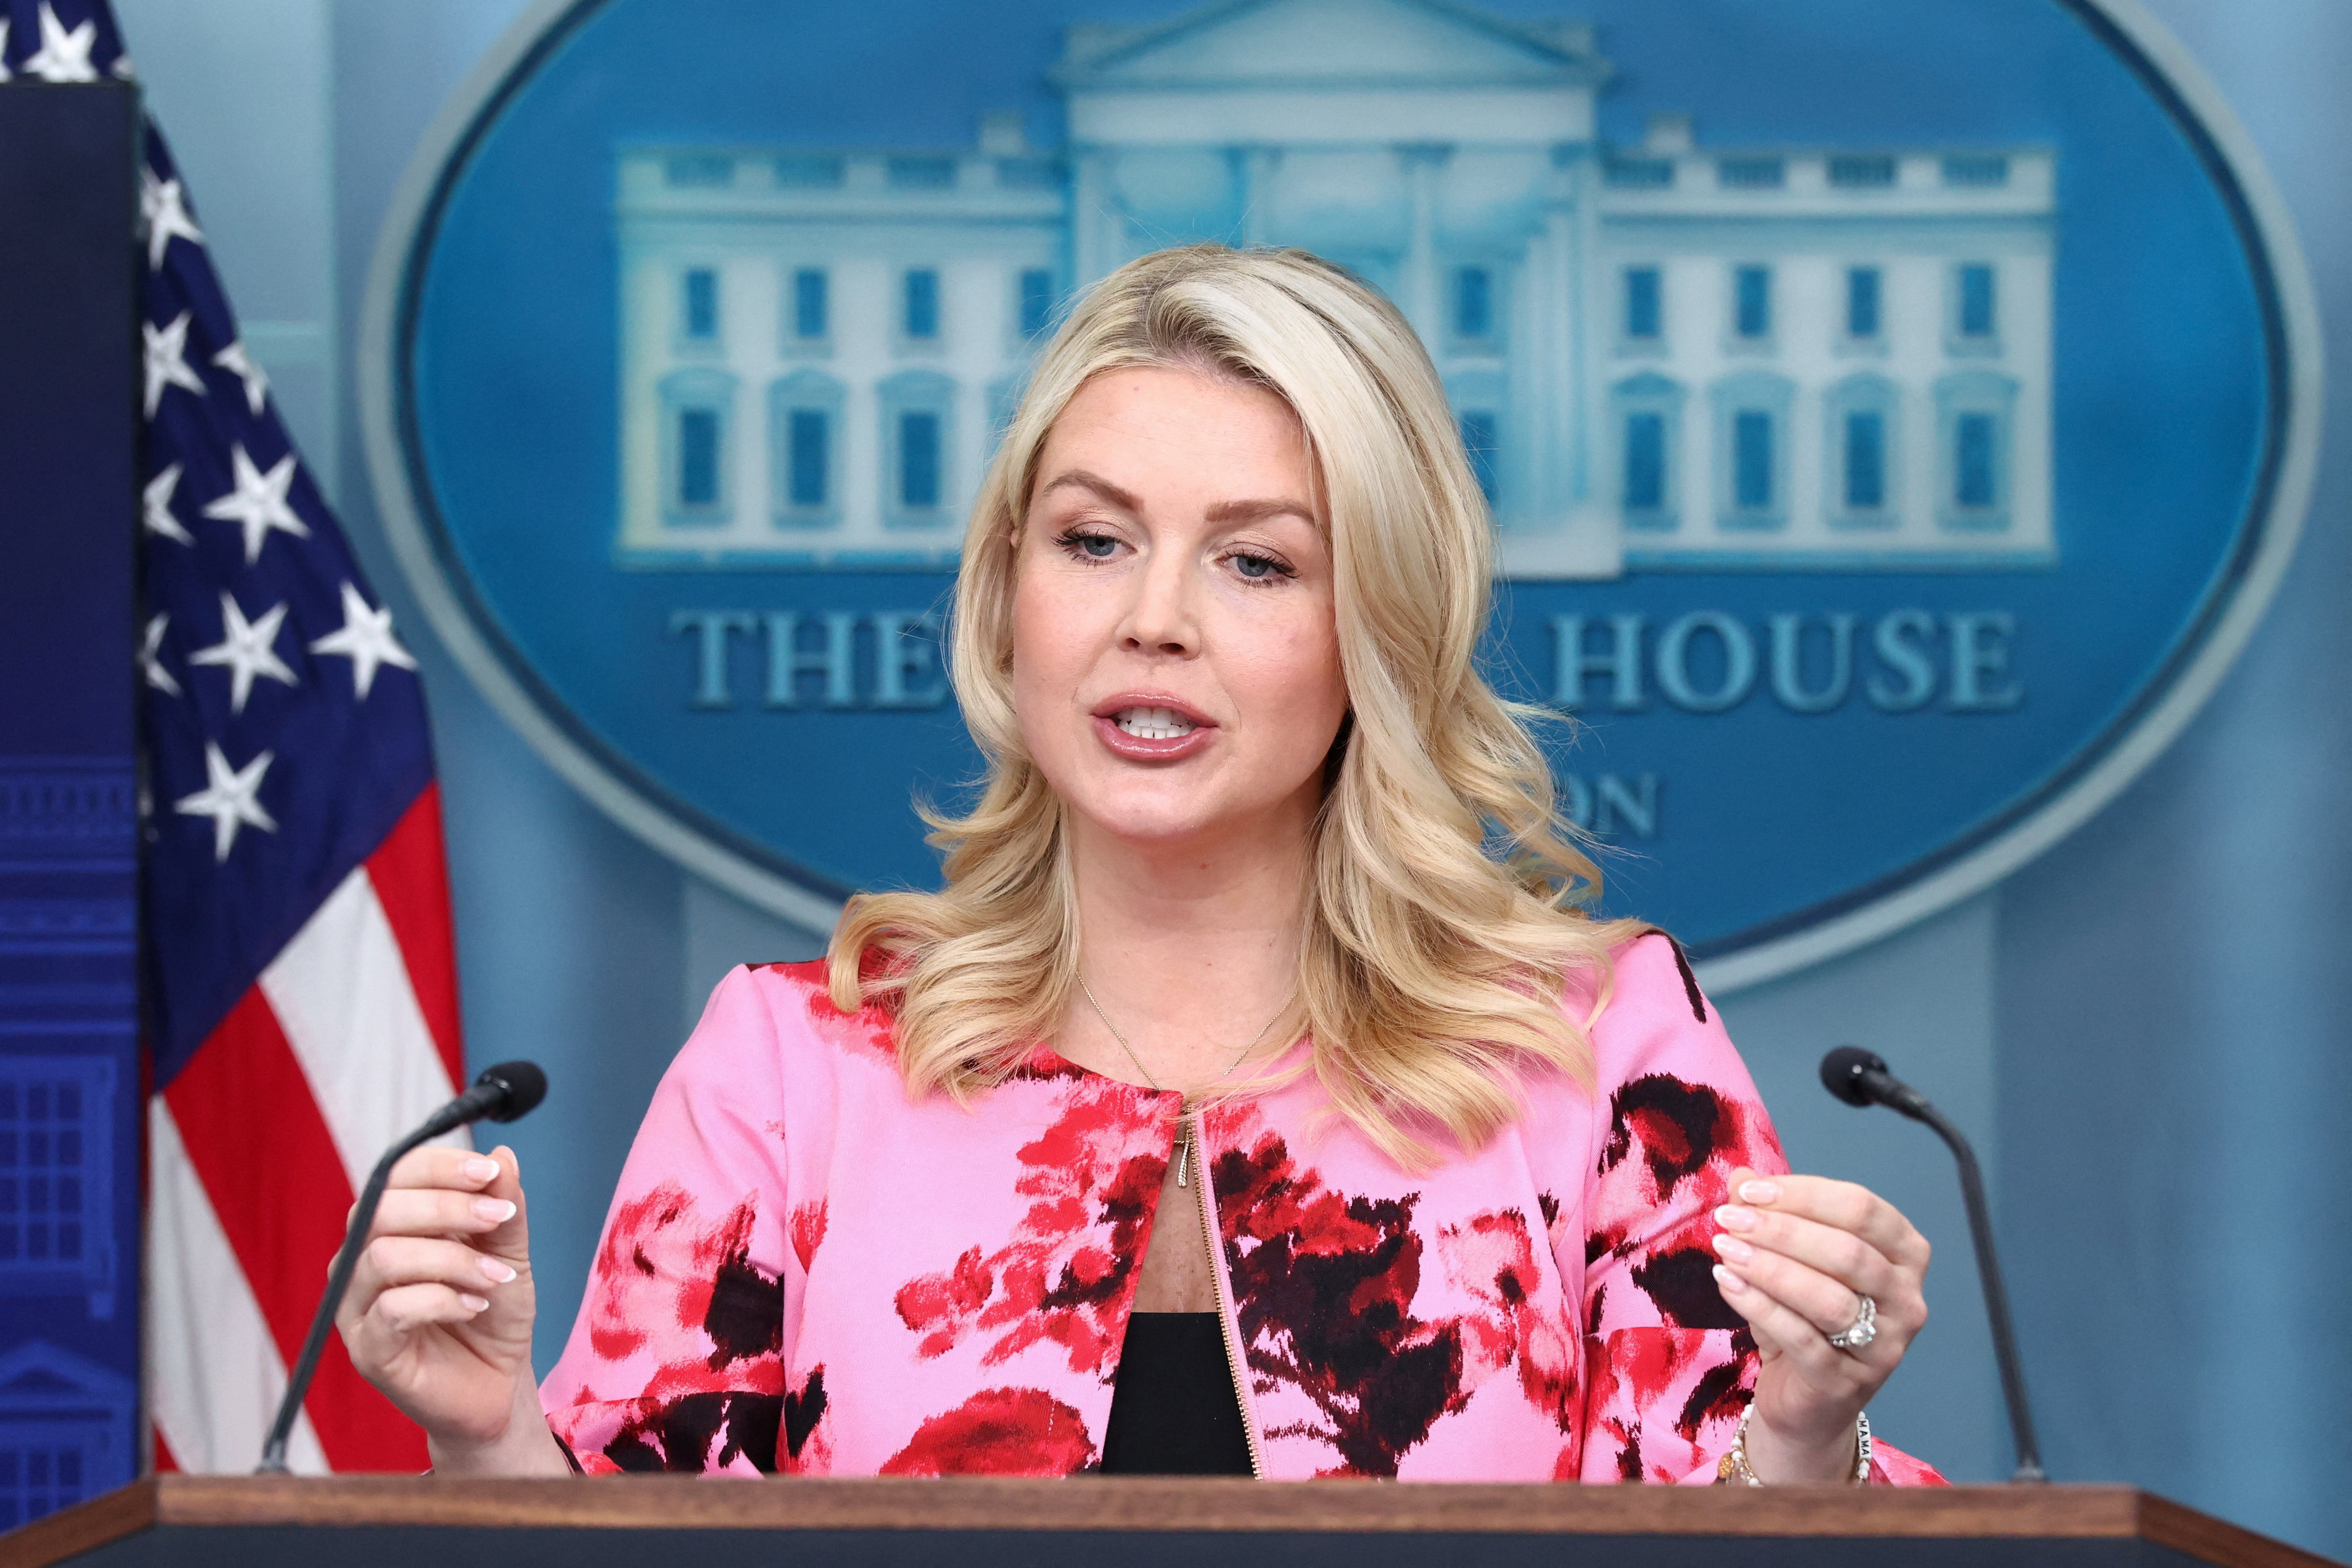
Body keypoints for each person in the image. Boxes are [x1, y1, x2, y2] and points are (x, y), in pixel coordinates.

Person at [341, 244, 1941, 1485]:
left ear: (1374, 628)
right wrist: (486, 1439)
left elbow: (1731, 1524)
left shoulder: (1595, 1048)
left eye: (1255, 559)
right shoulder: (799, 1059)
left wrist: (1805, 1430)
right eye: (1094, 539)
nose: (1150, 617)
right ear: (1010, 595)